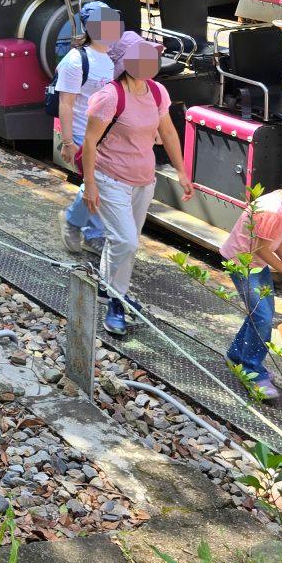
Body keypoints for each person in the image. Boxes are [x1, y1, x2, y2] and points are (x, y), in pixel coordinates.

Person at [81, 31, 193, 335]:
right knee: (126, 241)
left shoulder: (158, 92)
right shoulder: (109, 96)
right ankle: (116, 302)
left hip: (144, 179)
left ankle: (107, 286)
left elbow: (168, 133)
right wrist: (89, 183)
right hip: (110, 177)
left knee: (123, 240)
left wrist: (182, 171)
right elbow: (90, 143)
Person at [217, 175, 282, 398]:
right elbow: (260, 248)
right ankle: (251, 370)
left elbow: (277, 243)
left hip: (257, 264)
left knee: (260, 314)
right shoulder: (273, 209)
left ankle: (235, 355)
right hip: (242, 262)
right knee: (262, 317)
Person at [57, 2, 122, 255]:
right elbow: (66, 103)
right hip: (84, 136)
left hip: (104, 136)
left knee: (101, 183)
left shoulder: (107, 58)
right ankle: (78, 224)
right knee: (96, 183)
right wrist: (67, 141)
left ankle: (88, 230)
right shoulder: (75, 61)